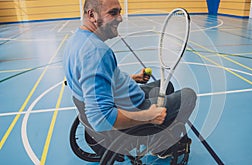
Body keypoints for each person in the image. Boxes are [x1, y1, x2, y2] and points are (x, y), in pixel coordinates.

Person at [63, 0, 197, 158]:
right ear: (92, 14)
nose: (120, 18)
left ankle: (158, 134)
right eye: (113, 13)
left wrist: (133, 78)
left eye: (119, 12)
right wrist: (148, 117)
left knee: (166, 86)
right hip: (132, 108)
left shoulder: (76, 40)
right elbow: (101, 119)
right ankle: (160, 145)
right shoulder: (97, 52)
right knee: (189, 95)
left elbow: (90, 80)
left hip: (123, 97)